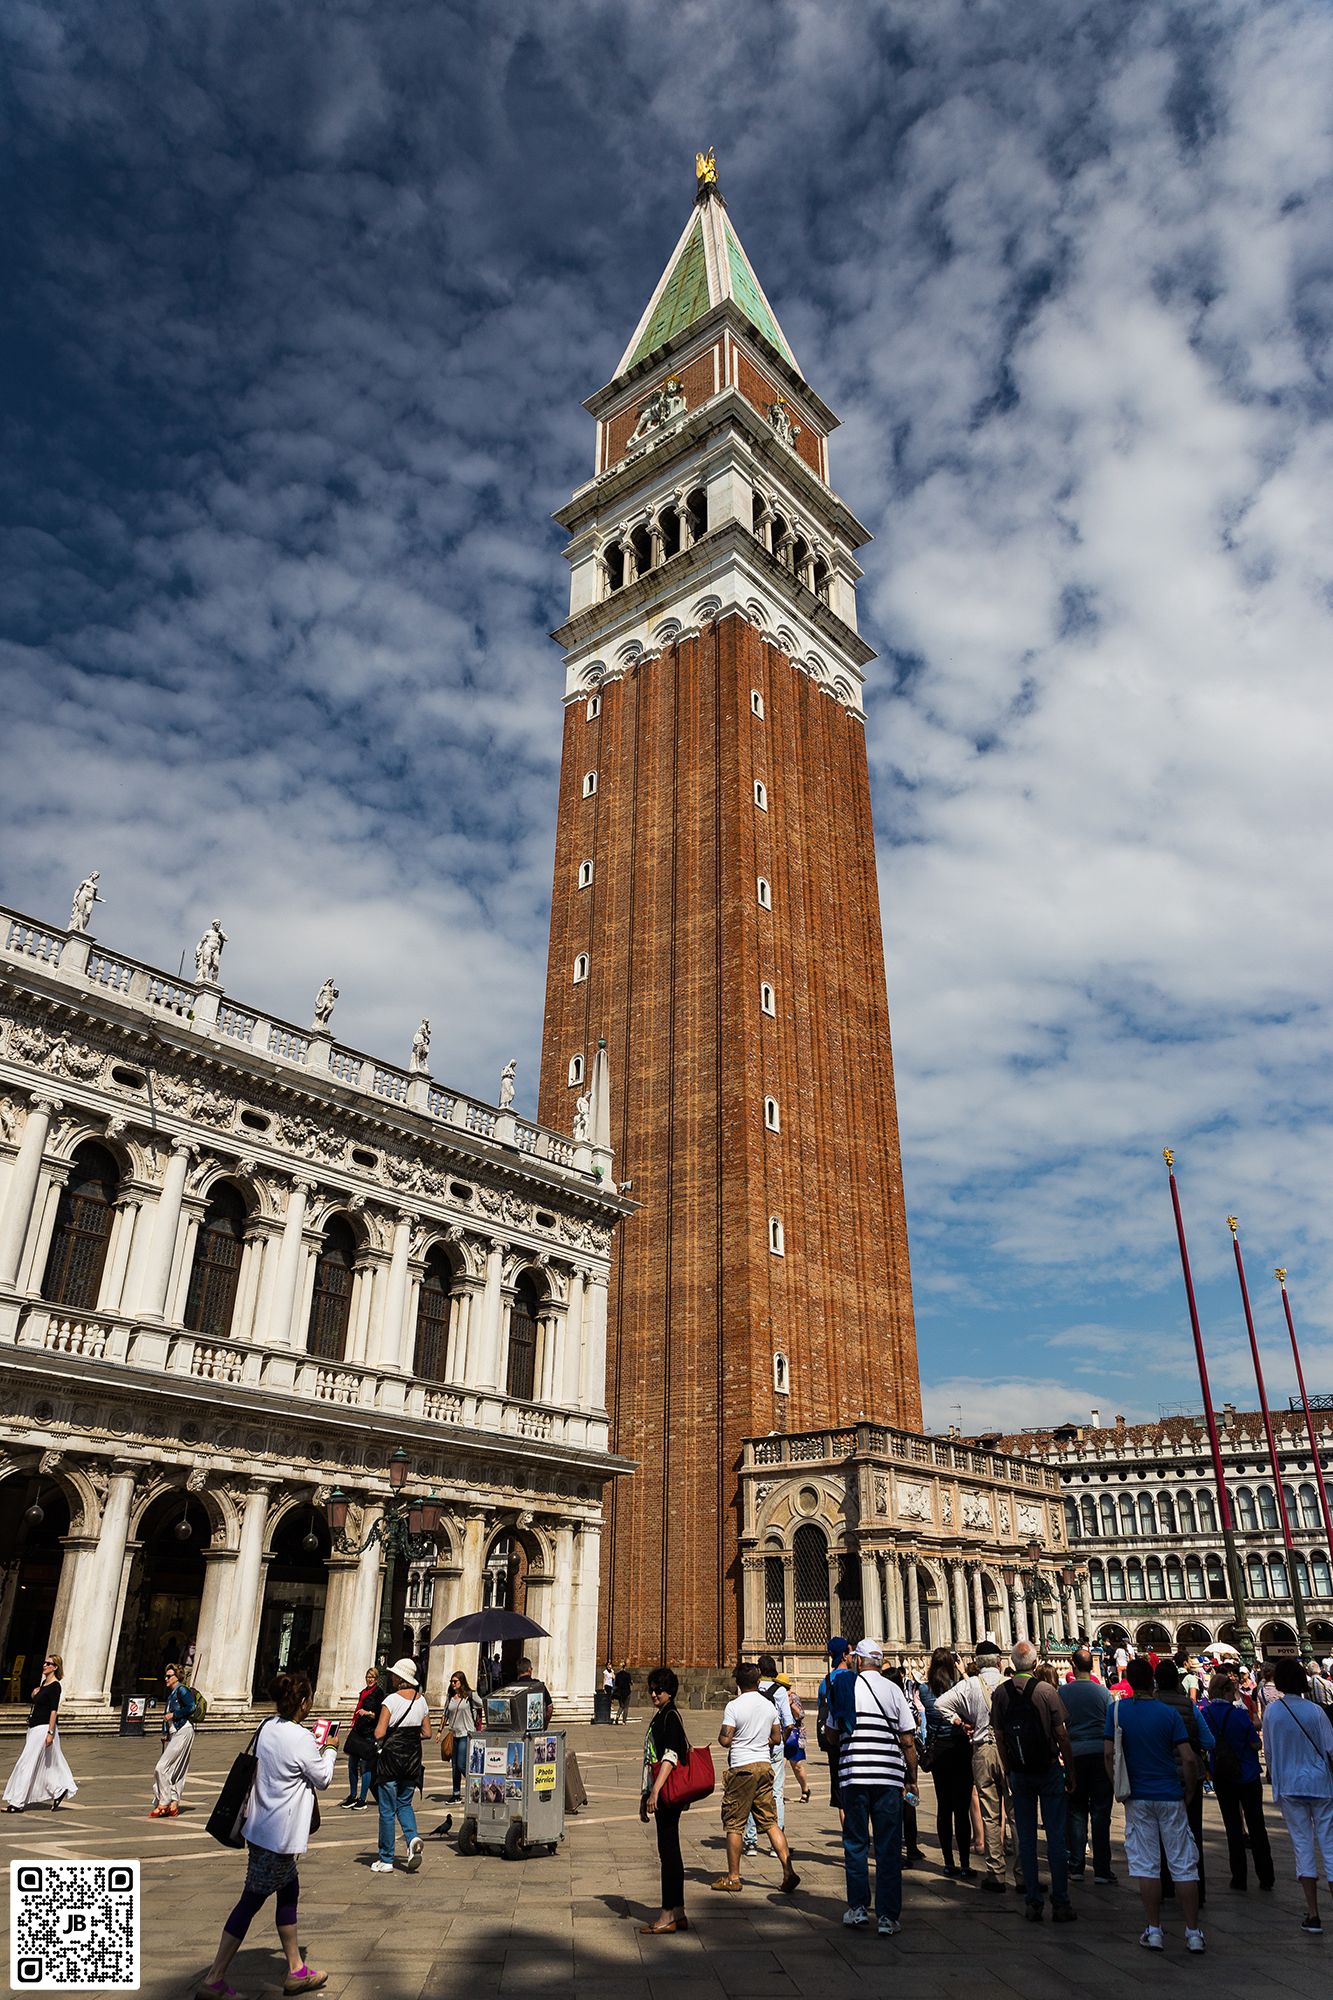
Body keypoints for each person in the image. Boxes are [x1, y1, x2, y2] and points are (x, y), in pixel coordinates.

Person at [196, 1670, 333, 1998]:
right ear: (302, 1703)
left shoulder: (266, 1727)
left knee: (289, 1889)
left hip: (258, 1827)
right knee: (250, 1900)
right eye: (309, 1699)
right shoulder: (301, 1738)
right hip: (279, 1835)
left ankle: (297, 1969)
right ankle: (214, 1978)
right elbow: (323, 1777)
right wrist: (329, 1748)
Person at [1104, 1655, 1204, 1953]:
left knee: (1147, 1865)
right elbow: (1187, 1758)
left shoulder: (1117, 1711)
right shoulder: (1168, 1714)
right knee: (1183, 1865)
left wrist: (1118, 1788)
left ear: (1129, 1683)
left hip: (1137, 1796)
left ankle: (1154, 1929)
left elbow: (1108, 1755)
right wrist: (1188, 1790)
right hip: (1170, 1794)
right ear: (1153, 1682)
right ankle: (1193, 1932)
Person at [826, 1637, 918, 1934]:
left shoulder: (845, 1687)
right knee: (888, 1847)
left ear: (857, 1660)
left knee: (855, 1844)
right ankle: (888, 1917)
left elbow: (831, 1733)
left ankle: (857, 1909)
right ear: (879, 1662)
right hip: (889, 1779)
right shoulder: (893, 1690)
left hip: (853, 1777)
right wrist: (912, 1778)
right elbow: (908, 1740)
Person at [991, 1640, 1077, 1924]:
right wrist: (1070, 1770)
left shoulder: (1000, 1694)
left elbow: (1000, 1737)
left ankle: (1032, 1902)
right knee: (1054, 1837)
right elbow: (1061, 1735)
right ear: (1036, 1663)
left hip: (1019, 1772)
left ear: (1012, 1663)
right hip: (1049, 1769)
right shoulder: (1047, 1691)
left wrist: (1007, 1770)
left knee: (1025, 1838)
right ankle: (1061, 1902)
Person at [712, 1663, 799, 1894]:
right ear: (758, 1682)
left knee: (735, 1823)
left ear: (738, 1683)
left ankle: (733, 1877)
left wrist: (737, 1738)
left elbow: (724, 1740)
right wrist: (760, 1741)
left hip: (742, 1768)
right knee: (770, 1821)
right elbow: (777, 1737)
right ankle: (788, 1871)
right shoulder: (768, 1705)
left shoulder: (734, 1706)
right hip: (764, 1766)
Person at [1262, 1656, 1333, 1933]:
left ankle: (1313, 1915)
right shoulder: (1315, 1712)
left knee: (1302, 1846)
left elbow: (1268, 1751)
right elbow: (1330, 1749)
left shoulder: (1272, 1713)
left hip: (1290, 1784)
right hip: (1320, 1784)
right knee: (1329, 1845)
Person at [934, 1641, 1006, 1892]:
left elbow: (939, 1704)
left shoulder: (969, 1685)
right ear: (999, 1662)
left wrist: (959, 1721)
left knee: (989, 1811)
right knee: (1017, 1812)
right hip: (1008, 1751)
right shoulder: (1009, 1684)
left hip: (982, 1750)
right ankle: (1023, 1872)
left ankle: (996, 1873)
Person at [1199, 1668, 1273, 1893]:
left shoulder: (1206, 1715)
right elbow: (1255, 1744)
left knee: (1232, 1826)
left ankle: (1239, 1878)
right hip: (1248, 1774)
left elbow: (1205, 1744)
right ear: (1227, 1691)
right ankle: (1266, 1876)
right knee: (1257, 1825)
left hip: (1222, 1775)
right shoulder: (1240, 1715)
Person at [1153, 1658, 1212, 1905]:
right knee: (1192, 1832)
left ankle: (1166, 1886)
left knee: (1161, 1834)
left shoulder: (1151, 1706)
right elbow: (1209, 1741)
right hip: (1189, 1779)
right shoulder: (1189, 1706)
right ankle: (1197, 1890)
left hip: (1159, 1776)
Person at [638, 1666, 692, 1934]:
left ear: (669, 1691)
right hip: (664, 1792)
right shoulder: (662, 1714)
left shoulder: (669, 1716)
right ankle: (678, 1912)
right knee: (672, 1852)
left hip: (668, 1794)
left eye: (657, 1689)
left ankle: (667, 1915)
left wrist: (656, 1791)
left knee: (668, 1854)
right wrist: (645, 1794)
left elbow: (670, 1756)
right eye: (651, 1689)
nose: (653, 1693)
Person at [1059, 1647, 1115, 1885]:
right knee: (1101, 1814)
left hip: (1076, 1755)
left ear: (1072, 1665)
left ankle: (1076, 1866)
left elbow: (1059, 1726)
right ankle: (1102, 1870)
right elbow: (1112, 1726)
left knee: (1076, 1811)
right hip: (1100, 1755)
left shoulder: (1063, 1692)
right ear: (1092, 1666)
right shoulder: (1103, 1693)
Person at [370, 1658, 431, 1874]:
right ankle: (412, 1838)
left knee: (387, 1809)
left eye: (394, 1674)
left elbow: (379, 1732)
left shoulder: (391, 1700)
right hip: (413, 1759)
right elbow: (427, 1733)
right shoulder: (421, 1700)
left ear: (399, 1678)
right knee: (404, 1803)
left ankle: (386, 1858)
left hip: (391, 1760)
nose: (392, 1677)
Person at [922, 1647, 974, 1878]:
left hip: (939, 1752)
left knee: (944, 1807)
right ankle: (964, 1864)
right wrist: (963, 1673)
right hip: (960, 1749)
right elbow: (974, 1697)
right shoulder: (959, 1689)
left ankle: (948, 1862)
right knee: (961, 1809)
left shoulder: (925, 1690)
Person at [3, 1652, 76, 1812]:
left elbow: (53, 1711)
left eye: (48, 1664)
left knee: (26, 1763)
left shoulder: (56, 1686)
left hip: (44, 1728)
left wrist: (50, 1732)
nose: (44, 1665)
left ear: (55, 1667)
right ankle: (59, 1789)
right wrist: (34, 1694)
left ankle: (17, 1803)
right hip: (34, 1727)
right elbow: (39, 1703)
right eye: (44, 1663)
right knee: (46, 1764)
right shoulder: (44, 1684)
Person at [742, 1653, 794, 1856]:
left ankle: (751, 1842)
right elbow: (788, 1722)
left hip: (755, 1747)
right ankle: (776, 1843)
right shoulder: (780, 1691)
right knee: (776, 1793)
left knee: (752, 1792)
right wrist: (780, 1739)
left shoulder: (749, 1690)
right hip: (774, 1747)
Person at [149, 1664, 198, 1818]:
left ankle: (164, 1802)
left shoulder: (182, 1689)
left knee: (161, 1767)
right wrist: (167, 1733)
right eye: (166, 1676)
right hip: (176, 1732)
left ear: (177, 1677)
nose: (166, 1679)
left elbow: (191, 1706)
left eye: (169, 1676)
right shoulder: (172, 1693)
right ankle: (174, 1803)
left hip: (184, 1731)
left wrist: (174, 1715)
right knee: (175, 1769)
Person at [817, 1637, 853, 1819]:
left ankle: (848, 1834)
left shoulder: (826, 1682)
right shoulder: (855, 1680)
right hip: (854, 1740)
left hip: (834, 1742)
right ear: (845, 1655)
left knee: (841, 1794)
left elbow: (822, 1709)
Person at [339, 1667, 383, 1809]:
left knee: (365, 1767)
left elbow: (379, 1714)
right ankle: (352, 1795)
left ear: (376, 1679)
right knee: (352, 1764)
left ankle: (362, 1799)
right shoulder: (363, 1693)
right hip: (358, 1732)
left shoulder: (378, 1693)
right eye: (368, 1677)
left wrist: (367, 1713)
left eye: (373, 1677)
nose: (370, 1679)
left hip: (369, 1734)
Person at [440, 1670, 483, 1804]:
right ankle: (456, 1794)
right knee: (454, 1766)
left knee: (461, 1764)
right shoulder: (450, 1697)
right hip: (454, 1734)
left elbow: (482, 1704)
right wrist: (439, 1731)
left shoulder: (470, 1695)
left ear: (461, 1682)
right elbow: (445, 1713)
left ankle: (477, 1787)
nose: (453, 1684)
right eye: (451, 1682)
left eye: (455, 1681)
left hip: (466, 1734)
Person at [776, 1672, 812, 1802]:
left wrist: (790, 1704)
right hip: (781, 1735)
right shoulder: (776, 1697)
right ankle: (778, 1793)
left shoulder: (793, 1697)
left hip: (794, 1736)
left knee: (797, 1766)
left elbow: (800, 1715)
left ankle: (805, 1789)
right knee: (780, 1766)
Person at [515, 1656, 554, 1726]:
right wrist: (545, 1722)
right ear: (529, 1669)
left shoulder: (512, 1687)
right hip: (536, 1726)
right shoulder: (538, 1686)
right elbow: (550, 1707)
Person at [613, 1663, 632, 1727]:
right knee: (626, 1707)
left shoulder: (618, 1675)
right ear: (625, 1667)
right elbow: (630, 1683)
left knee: (621, 1706)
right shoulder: (628, 1674)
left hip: (620, 1693)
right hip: (627, 1692)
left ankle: (618, 1715)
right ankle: (624, 1721)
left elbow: (616, 1684)